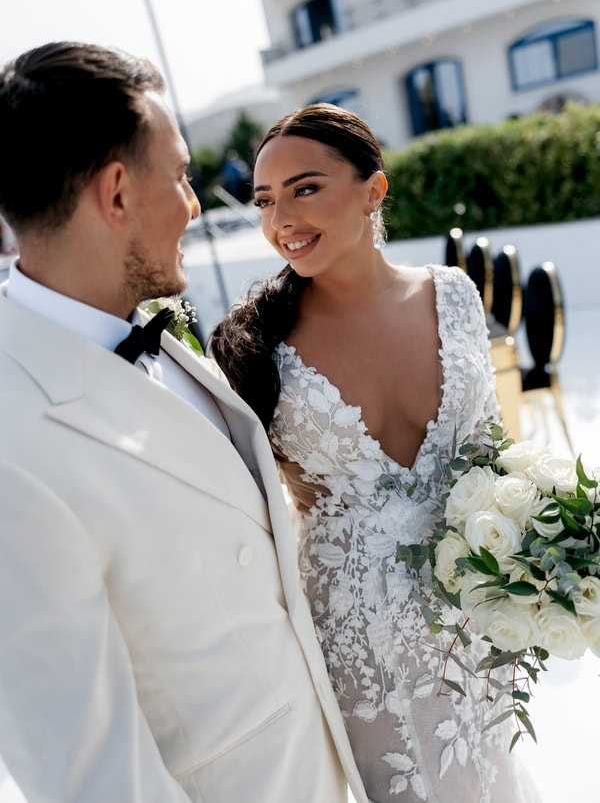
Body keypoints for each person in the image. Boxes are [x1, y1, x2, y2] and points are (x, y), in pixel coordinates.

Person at [0, 44, 369, 803]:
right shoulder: (15, 450)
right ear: (116, 194)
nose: (196, 205)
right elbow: (91, 777)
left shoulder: (156, 331)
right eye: (181, 175)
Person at [210, 104, 541, 802]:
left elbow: (495, 456)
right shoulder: (251, 349)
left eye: (304, 189)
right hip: (357, 647)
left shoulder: (452, 296)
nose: (281, 221)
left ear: (374, 190)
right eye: (265, 201)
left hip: (475, 621)